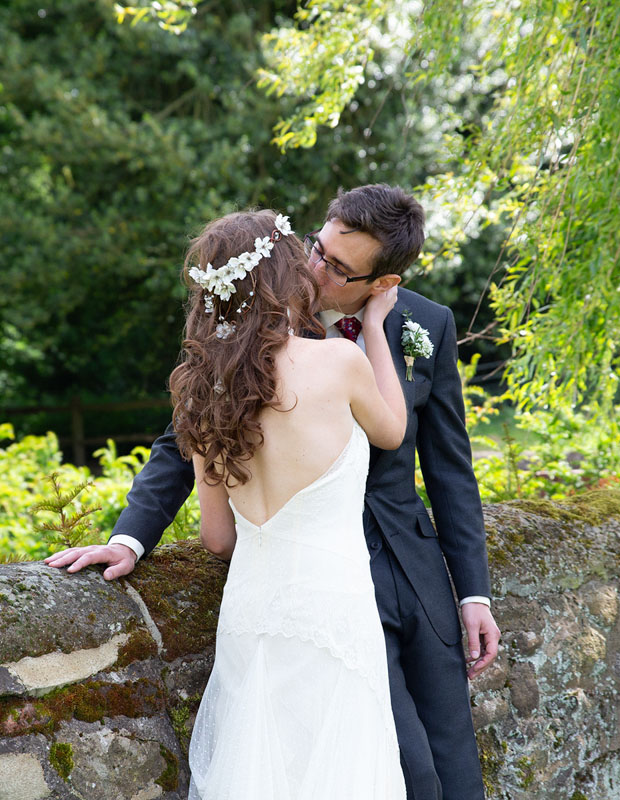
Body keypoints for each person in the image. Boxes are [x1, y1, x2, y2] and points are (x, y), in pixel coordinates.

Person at [47, 185, 501, 800]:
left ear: (381, 281)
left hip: (413, 575)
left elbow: (450, 466)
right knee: (389, 769)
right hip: (332, 590)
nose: (317, 268)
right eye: (317, 248)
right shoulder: (255, 347)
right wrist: (131, 537)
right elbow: (178, 443)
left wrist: (473, 590)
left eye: (340, 268)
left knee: (453, 764)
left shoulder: (428, 323)